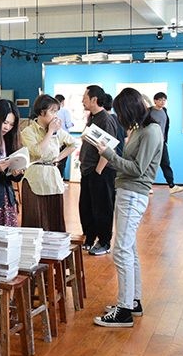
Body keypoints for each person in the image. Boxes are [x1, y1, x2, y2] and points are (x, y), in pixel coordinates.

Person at [91, 88, 163, 328]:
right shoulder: (142, 129)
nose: (119, 118)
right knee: (128, 248)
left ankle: (124, 310)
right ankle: (132, 301)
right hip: (127, 191)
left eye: (121, 112)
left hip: (133, 193)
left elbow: (138, 169)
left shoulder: (150, 131)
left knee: (121, 250)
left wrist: (109, 154)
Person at [19, 94, 78, 231]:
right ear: (41, 112)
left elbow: (73, 144)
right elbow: (38, 152)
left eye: (56, 112)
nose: (55, 116)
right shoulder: (28, 131)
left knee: (54, 219)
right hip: (35, 179)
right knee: (35, 220)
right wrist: (50, 131)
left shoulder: (59, 132)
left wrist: (58, 158)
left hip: (53, 178)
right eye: (52, 111)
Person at [78, 85, 122, 255]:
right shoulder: (92, 117)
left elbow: (109, 148)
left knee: (102, 208)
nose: (82, 101)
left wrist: (98, 171)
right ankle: (90, 238)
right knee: (87, 207)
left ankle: (104, 242)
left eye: (85, 97)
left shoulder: (106, 119)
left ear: (94, 99)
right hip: (88, 171)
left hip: (101, 172)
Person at [149, 92, 183, 195]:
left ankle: (172, 186)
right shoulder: (149, 111)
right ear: (155, 100)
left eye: (164, 100)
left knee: (166, 163)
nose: (162, 102)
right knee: (149, 164)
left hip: (162, 142)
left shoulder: (164, 110)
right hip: (151, 142)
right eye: (160, 100)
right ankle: (147, 186)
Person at [54, 94, 74, 179]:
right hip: (64, 139)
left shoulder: (53, 111)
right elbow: (68, 124)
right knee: (62, 161)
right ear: (62, 102)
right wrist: (72, 124)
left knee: (53, 159)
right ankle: (60, 179)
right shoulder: (65, 111)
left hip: (54, 138)